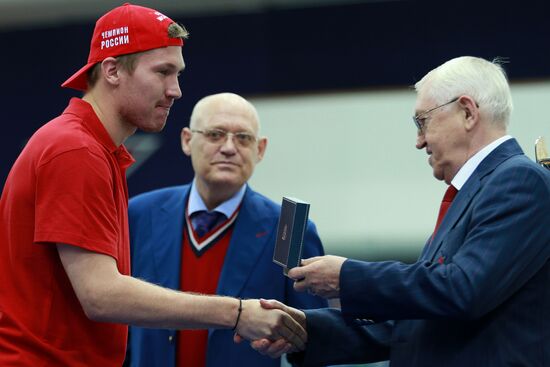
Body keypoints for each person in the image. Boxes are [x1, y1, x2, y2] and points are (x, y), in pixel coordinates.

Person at [0, 4, 306, 367]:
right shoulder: (75, 150)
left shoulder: (92, 150)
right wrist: (238, 312)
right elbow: (101, 295)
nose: (176, 90)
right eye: (163, 72)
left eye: (177, 74)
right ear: (112, 70)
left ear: (261, 148)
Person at [253, 56, 550, 366]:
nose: (419, 141)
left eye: (423, 121)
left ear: (467, 112)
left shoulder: (519, 181)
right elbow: (412, 325)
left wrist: (347, 276)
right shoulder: (479, 192)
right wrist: (304, 329)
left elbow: (462, 289)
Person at [125, 92, 327, 367]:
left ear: (260, 149)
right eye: (215, 134)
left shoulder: (289, 229)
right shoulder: (139, 215)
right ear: (187, 140)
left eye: (243, 138)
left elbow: (315, 341)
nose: (229, 148)